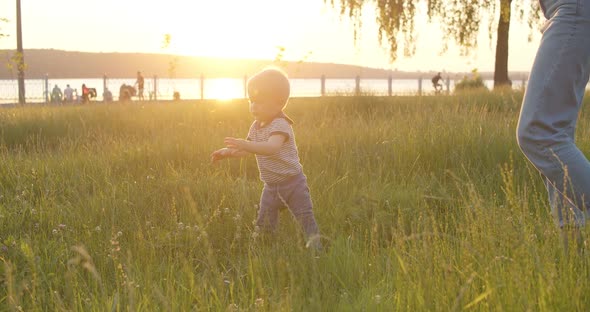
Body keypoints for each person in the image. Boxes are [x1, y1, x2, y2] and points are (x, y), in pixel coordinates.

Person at [210, 68, 322, 250]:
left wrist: (245, 144)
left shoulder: (281, 124)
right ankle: (265, 249)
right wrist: (226, 152)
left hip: (293, 184)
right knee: (264, 223)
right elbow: (247, 150)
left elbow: (271, 148)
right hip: (271, 187)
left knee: (305, 218)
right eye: (251, 101)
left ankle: (317, 251)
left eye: (260, 101)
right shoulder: (256, 126)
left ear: (279, 103)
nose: (254, 106)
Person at [516, 0, 590, 245]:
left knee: (538, 132)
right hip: (569, 9)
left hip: (574, 8)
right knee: (556, 134)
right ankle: (573, 265)